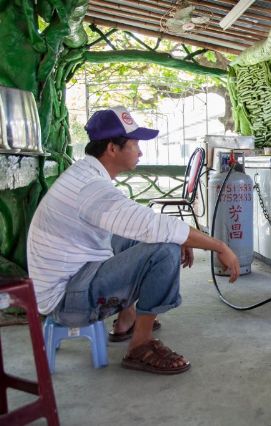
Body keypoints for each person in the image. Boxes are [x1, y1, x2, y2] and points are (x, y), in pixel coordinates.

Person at [27, 106, 240, 375]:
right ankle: (140, 345)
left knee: (136, 235)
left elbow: (139, 224)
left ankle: (127, 320)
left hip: (68, 282)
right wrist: (220, 246)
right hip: (67, 301)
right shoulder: (92, 188)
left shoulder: (85, 174)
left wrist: (177, 235)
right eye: (134, 144)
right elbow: (154, 226)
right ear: (112, 149)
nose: (140, 152)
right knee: (164, 250)